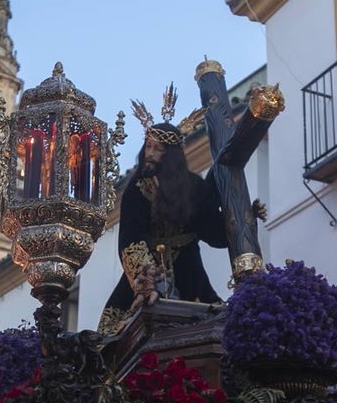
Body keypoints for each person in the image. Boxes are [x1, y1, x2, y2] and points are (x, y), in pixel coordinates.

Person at [98, 85, 238, 335]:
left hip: (189, 270)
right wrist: (146, 281)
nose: (149, 154)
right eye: (148, 146)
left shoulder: (193, 187)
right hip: (148, 271)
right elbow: (132, 241)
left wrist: (239, 218)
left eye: (157, 149)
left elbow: (213, 232)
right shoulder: (137, 189)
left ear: (171, 155)